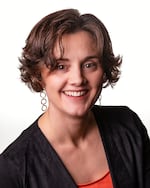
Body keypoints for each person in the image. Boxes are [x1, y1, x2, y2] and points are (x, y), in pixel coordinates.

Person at [0, 8, 150, 188]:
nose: (78, 79)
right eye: (61, 67)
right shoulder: (13, 168)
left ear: (104, 70)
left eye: (89, 64)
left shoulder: (128, 126)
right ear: (38, 75)